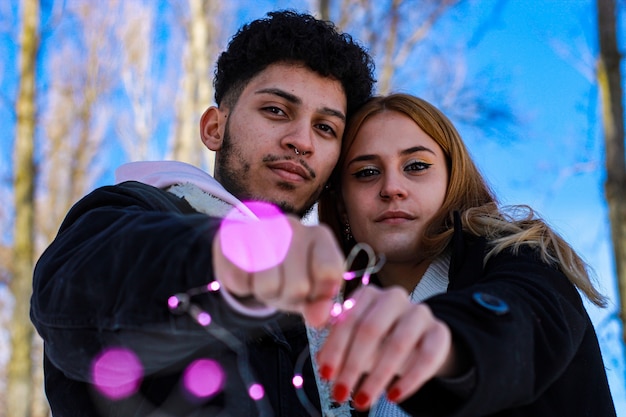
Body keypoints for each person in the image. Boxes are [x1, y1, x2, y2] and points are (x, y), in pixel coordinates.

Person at [30, 10, 375, 416]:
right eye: (277, 110)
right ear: (214, 128)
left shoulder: (336, 311)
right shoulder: (135, 210)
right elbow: (73, 300)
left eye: (325, 128)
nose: (301, 140)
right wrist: (230, 257)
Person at [316, 93, 617, 416]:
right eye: (366, 172)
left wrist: (447, 338)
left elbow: (526, 320)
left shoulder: (521, 259)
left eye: (416, 166)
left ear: (452, 180)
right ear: (342, 205)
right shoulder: (328, 331)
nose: (392, 187)